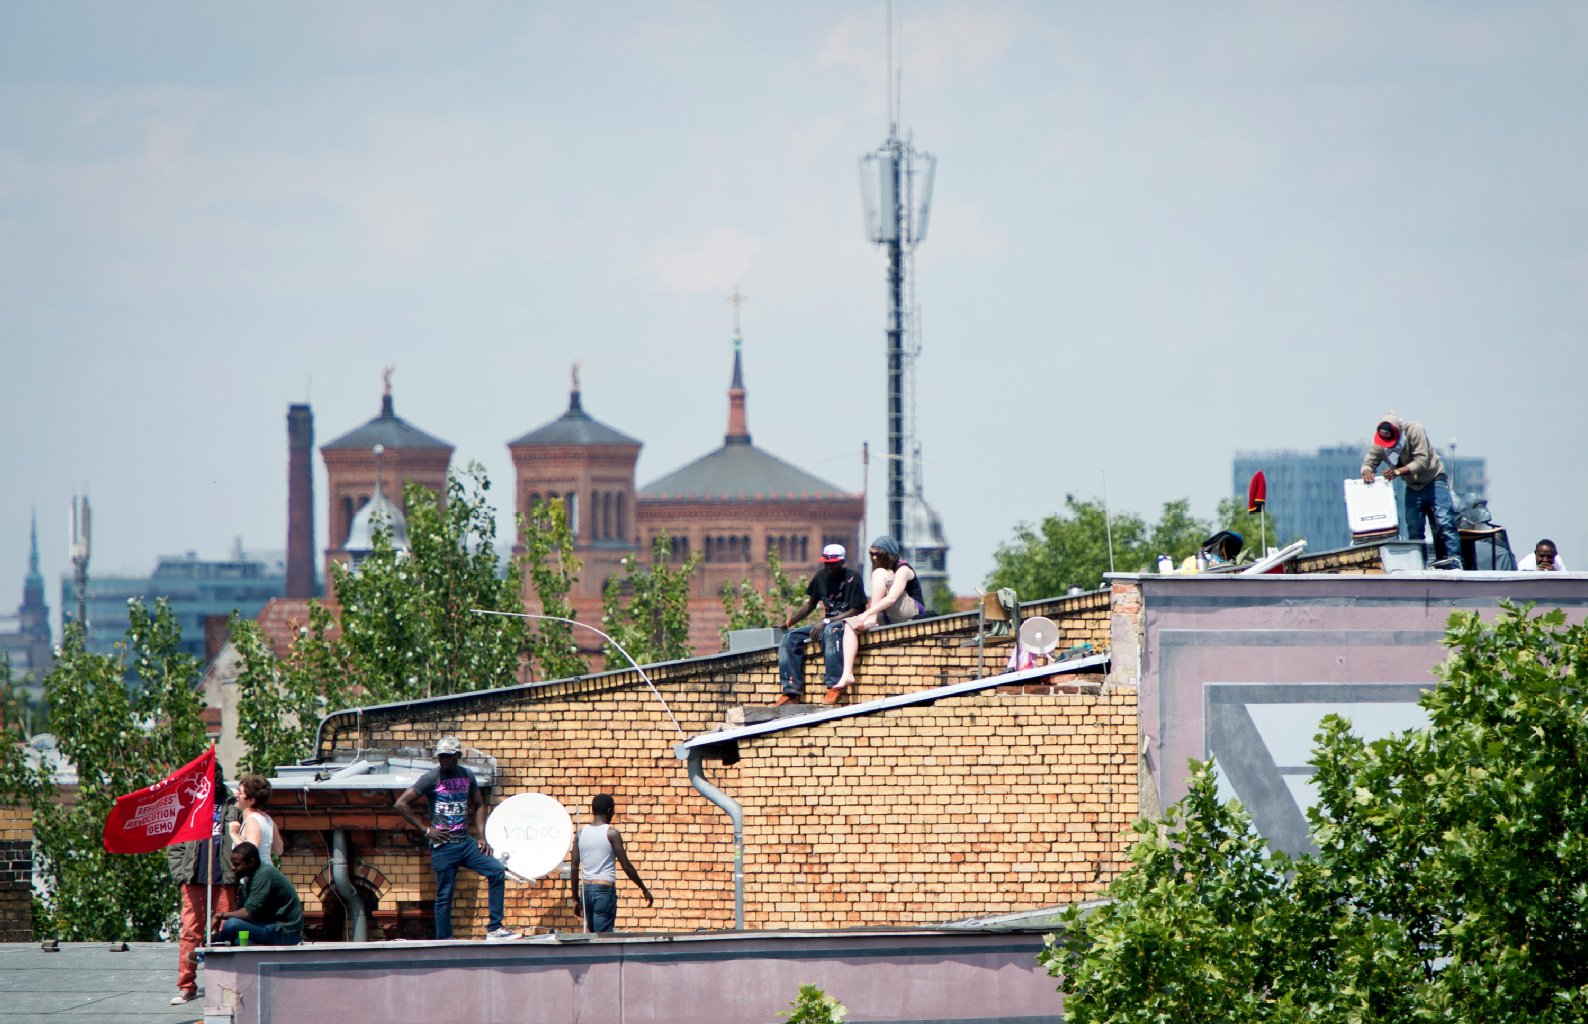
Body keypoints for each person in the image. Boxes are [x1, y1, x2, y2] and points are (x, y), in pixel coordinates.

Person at [395, 736, 521, 941]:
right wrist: (426, 831)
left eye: (448, 756)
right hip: (443, 846)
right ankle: (444, 940)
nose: (443, 760)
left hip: (465, 843)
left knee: (496, 870)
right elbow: (401, 804)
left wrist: (482, 837)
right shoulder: (431, 778)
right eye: (441, 757)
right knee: (444, 894)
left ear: (458, 756)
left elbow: (478, 805)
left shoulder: (467, 775)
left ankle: (495, 929)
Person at [165, 759, 241, 1005]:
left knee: (226, 932)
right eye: (210, 776)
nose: (214, 780)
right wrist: (180, 876)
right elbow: (175, 842)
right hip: (194, 878)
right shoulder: (190, 803)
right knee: (190, 932)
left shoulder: (234, 803)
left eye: (217, 776)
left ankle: (225, 984)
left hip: (225, 879)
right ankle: (186, 985)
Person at [1360, 413, 1462, 569]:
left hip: (1433, 479)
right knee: (1414, 528)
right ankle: (1420, 565)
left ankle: (1455, 563)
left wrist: (1397, 471)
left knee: (1444, 522)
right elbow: (1369, 461)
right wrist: (1367, 471)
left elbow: (1422, 461)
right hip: (1413, 486)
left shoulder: (1415, 430)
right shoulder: (1381, 444)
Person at [832, 536, 925, 700]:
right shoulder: (884, 571)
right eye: (872, 554)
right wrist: (861, 618)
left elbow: (891, 599)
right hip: (887, 615)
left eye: (878, 554)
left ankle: (872, 618)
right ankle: (847, 674)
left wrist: (868, 613)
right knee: (849, 625)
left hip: (911, 612)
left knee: (879, 573)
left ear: (889, 554)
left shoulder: (903, 569)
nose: (874, 558)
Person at [774, 543, 867, 707]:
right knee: (789, 639)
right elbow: (810, 606)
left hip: (848, 623)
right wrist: (788, 623)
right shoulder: (820, 577)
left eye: (833, 564)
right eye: (826, 563)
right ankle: (791, 691)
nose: (828, 567)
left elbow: (855, 610)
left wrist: (825, 621)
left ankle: (834, 687)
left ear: (842, 562)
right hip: (828, 623)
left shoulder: (853, 577)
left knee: (831, 631)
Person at [570, 793, 653, 933]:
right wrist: (644, 889)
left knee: (592, 937)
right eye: (613, 810)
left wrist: (575, 899)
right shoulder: (611, 833)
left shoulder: (580, 834)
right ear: (609, 810)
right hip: (603, 891)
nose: (613, 814)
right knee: (603, 938)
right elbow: (626, 866)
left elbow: (573, 868)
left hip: (586, 891)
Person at [211, 841, 303, 946]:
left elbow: (248, 914)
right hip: (271, 926)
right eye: (232, 864)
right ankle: (216, 943)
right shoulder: (251, 876)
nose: (233, 867)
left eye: (237, 864)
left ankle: (215, 945)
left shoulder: (264, 874)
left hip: (286, 933)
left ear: (251, 862)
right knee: (238, 940)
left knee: (232, 924)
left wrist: (220, 915)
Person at [228, 774, 284, 867]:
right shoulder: (267, 818)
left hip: (257, 873)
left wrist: (234, 834)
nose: (236, 794)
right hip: (266, 870)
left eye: (240, 793)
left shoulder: (252, 821)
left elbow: (250, 852)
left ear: (251, 800)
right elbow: (279, 850)